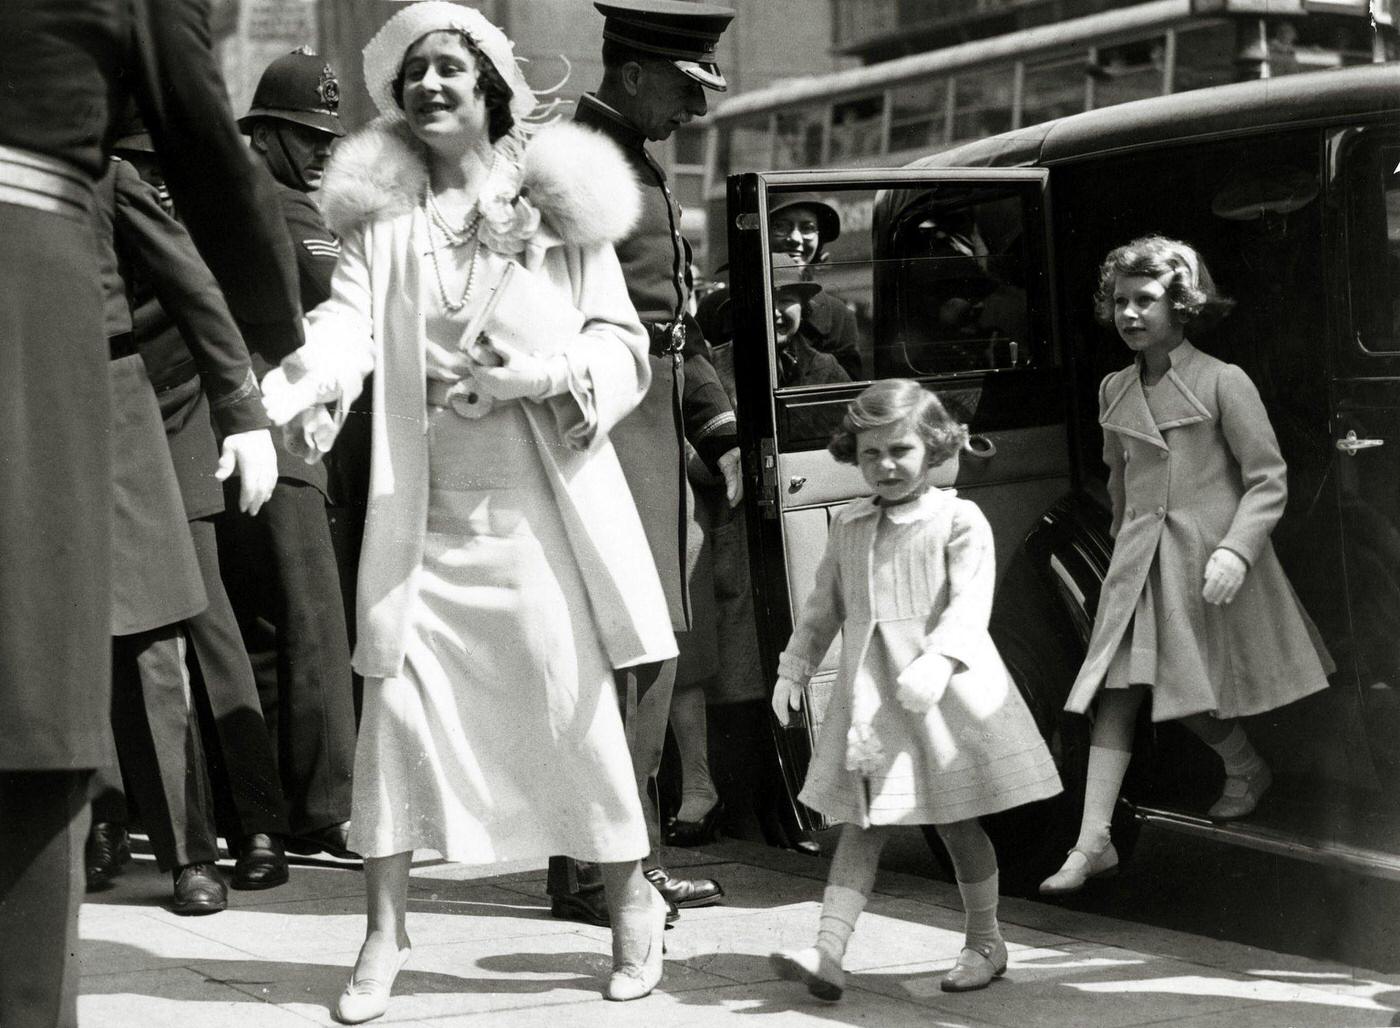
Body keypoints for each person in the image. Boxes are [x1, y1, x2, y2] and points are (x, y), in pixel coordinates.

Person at [256, 3, 677, 1015]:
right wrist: (294, 385)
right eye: (413, 75)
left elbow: (623, 345)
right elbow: (344, 324)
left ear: (489, 84)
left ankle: (631, 905)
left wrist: (541, 374)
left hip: (536, 519)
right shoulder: (378, 217)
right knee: (393, 720)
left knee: (573, 715)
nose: (430, 86)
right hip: (422, 515)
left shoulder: (558, 200)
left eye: (450, 69)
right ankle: (381, 937)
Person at [0, 0, 302, 1022]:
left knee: (148, 657)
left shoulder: (118, 184)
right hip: (34, 354)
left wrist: (248, 394)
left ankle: (189, 848)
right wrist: (283, 335)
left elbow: (188, 276)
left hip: (98, 400)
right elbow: (210, 159)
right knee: (38, 703)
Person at [1039, 236, 1333, 895]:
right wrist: (1120, 554)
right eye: (1119, 301)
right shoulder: (1114, 388)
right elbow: (1119, 485)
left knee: (1179, 687)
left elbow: (1268, 480)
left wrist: (1235, 550)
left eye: (1146, 300)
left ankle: (1243, 763)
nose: (1130, 314)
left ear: (1181, 304)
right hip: (1140, 562)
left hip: (1208, 559)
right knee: (1118, 691)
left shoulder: (1224, 381)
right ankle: (1093, 842)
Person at [768, 379, 1062, 997]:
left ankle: (986, 940)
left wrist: (940, 659)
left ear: (933, 447)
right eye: (870, 453)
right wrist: (794, 668)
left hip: (939, 697)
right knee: (864, 820)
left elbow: (969, 603)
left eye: (900, 449)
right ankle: (827, 951)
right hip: (873, 705)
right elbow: (824, 607)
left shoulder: (958, 519)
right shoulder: (850, 525)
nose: (886, 465)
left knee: (955, 822)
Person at [548, 0, 740, 928]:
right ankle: (604, 871)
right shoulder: (579, 163)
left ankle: (613, 862)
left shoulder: (626, 160)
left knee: (645, 650)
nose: (694, 109)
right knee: (627, 650)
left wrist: (724, 431)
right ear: (630, 74)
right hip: (611, 429)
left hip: (651, 428)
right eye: (684, 86)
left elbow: (678, 324)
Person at [109, 119, 296, 893]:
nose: (155, 180)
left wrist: (244, 417)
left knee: (204, 627)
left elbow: (217, 309)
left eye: (164, 165)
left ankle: (253, 825)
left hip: (178, 421)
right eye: (141, 164)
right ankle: (106, 823)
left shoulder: (165, 202)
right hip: (90, 419)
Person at [223, 49, 359, 861]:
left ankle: (273, 806)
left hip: (232, 428)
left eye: (326, 139)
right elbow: (343, 311)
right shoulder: (287, 210)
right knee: (310, 621)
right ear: (264, 131)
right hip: (283, 431)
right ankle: (322, 808)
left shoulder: (232, 195)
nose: (320, 152)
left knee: (266, 626)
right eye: (305, 135)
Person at [769, 192, 863, 379]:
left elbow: (845, 398)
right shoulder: (718, 306)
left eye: (807, 228)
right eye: (781, 226)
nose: (795, 238)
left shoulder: (839, 317)